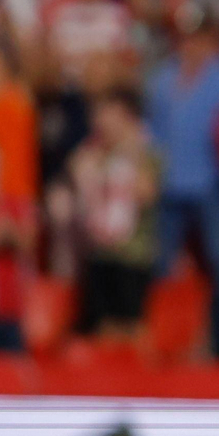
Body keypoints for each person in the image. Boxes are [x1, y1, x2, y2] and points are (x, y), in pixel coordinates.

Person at [144, 2, 219, 359]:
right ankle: (159, 343)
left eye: (198, 37)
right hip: (170, 187)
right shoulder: (162, 79)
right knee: (160, 266)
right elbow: (153, 134)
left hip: (209, 185)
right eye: (185, 38)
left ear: (211, 39)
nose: (191, 45)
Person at [65, 88, 160, 340]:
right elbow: (75, 170)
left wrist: (127, 157)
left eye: (110, 113)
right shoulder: (94, 151)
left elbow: (146, 192)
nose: (102, 120)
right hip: (99, 251)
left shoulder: (144, 150)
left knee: (131, 325)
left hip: (131, 254)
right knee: (101, 327)